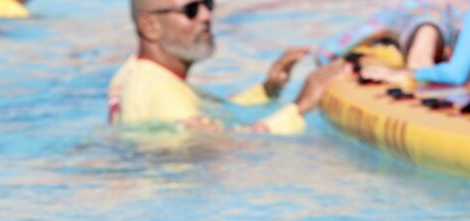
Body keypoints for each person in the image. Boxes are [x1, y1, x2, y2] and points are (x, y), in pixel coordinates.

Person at [108, 0, 350, 134]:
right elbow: (232, 153)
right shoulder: (165, 94)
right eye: (190, 10)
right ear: (150, 25)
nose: (206, 16)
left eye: (208, 4)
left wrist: (268, 89)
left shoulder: (136, 71)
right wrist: (300, 107)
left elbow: (212, 111)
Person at [315, 1, 466, 72]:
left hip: (424, 27)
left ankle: (421, 54)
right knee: (428, 26)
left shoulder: (399, 10)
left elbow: (326, 53)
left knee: (427, 26)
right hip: (448, 29)